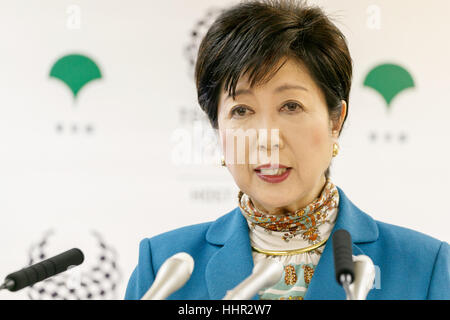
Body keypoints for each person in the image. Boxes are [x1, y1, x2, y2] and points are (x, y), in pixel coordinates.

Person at [125, 0, 449, 300]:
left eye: (291, 106)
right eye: (241, 111)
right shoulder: (165, 269)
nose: (267, 138)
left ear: (335, 121)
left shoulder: (424, 269)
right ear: (217, 130)